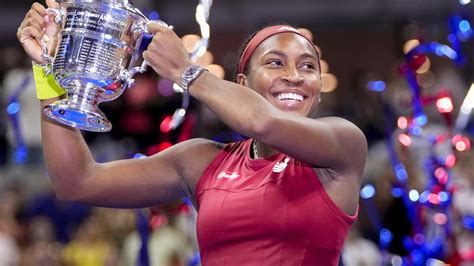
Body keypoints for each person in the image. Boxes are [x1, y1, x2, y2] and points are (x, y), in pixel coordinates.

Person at [17, 1, 368, 265]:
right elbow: (77, 181)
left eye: (308, 67)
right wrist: (46, 71)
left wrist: (185, 71)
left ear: (319, 90)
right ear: (242, 84)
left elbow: (261, 122)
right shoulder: (201, 161)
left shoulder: (342, 143)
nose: (294, 75)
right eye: (275, 62)